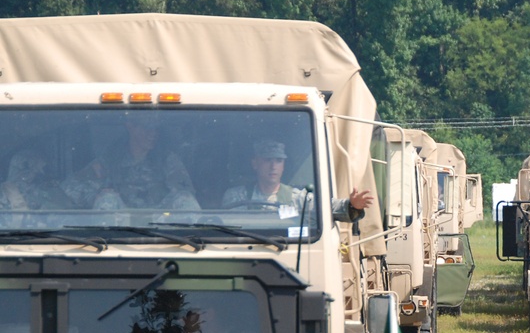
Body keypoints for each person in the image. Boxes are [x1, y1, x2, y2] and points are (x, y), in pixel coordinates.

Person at [63, 113, 200, 210]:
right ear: (130, 127)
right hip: (117, 230)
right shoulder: (111, 159)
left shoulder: (167, 159)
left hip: (162, 225)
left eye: (155, 128)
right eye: (146, 127)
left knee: (185, 199)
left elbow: (185, 194)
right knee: (107, 199)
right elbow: (71, 190)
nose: (152, 134)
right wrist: (98, 195)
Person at [222, 139, 374, 222]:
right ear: (255, 163)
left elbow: (327, 207)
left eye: (278, 161)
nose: (273, 166)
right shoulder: (237, 196)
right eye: (268, 160)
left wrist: (352, 206)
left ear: (283, 166)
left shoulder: (297, 198)